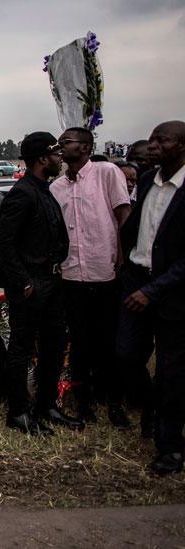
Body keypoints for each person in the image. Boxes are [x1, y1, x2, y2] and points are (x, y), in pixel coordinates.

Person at [0, 132, 79, 435]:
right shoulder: (22, 193)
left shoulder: (44, 189)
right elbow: (5, 243)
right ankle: (18, 412)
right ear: (43, 158)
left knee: (54, 346)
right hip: (31, 284)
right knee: (22, 348)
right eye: (56, 152)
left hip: (52, 281)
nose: (61, 157)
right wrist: (24, 282)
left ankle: (47, 406)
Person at [115, 120, 185, 475]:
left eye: (163, 140)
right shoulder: (146, 182)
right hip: (135, 280)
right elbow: (134, 229)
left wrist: (152, 290)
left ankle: (170, 447)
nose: (153, 145)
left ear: (183, 146)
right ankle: (152, 408)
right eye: (153, 139)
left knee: (172, 371)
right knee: (126, 355)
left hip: (171, 291)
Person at [50, 127, 132, 426]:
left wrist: (122, 253)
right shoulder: (57, 187)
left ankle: (113, 402)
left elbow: (123, 214)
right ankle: (84, 404)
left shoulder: (106, 172)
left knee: (107, 342)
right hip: (72, 275)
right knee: (81, 344)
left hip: (105, 271)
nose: (61, 147)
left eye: (66, 143)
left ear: (85, 147)